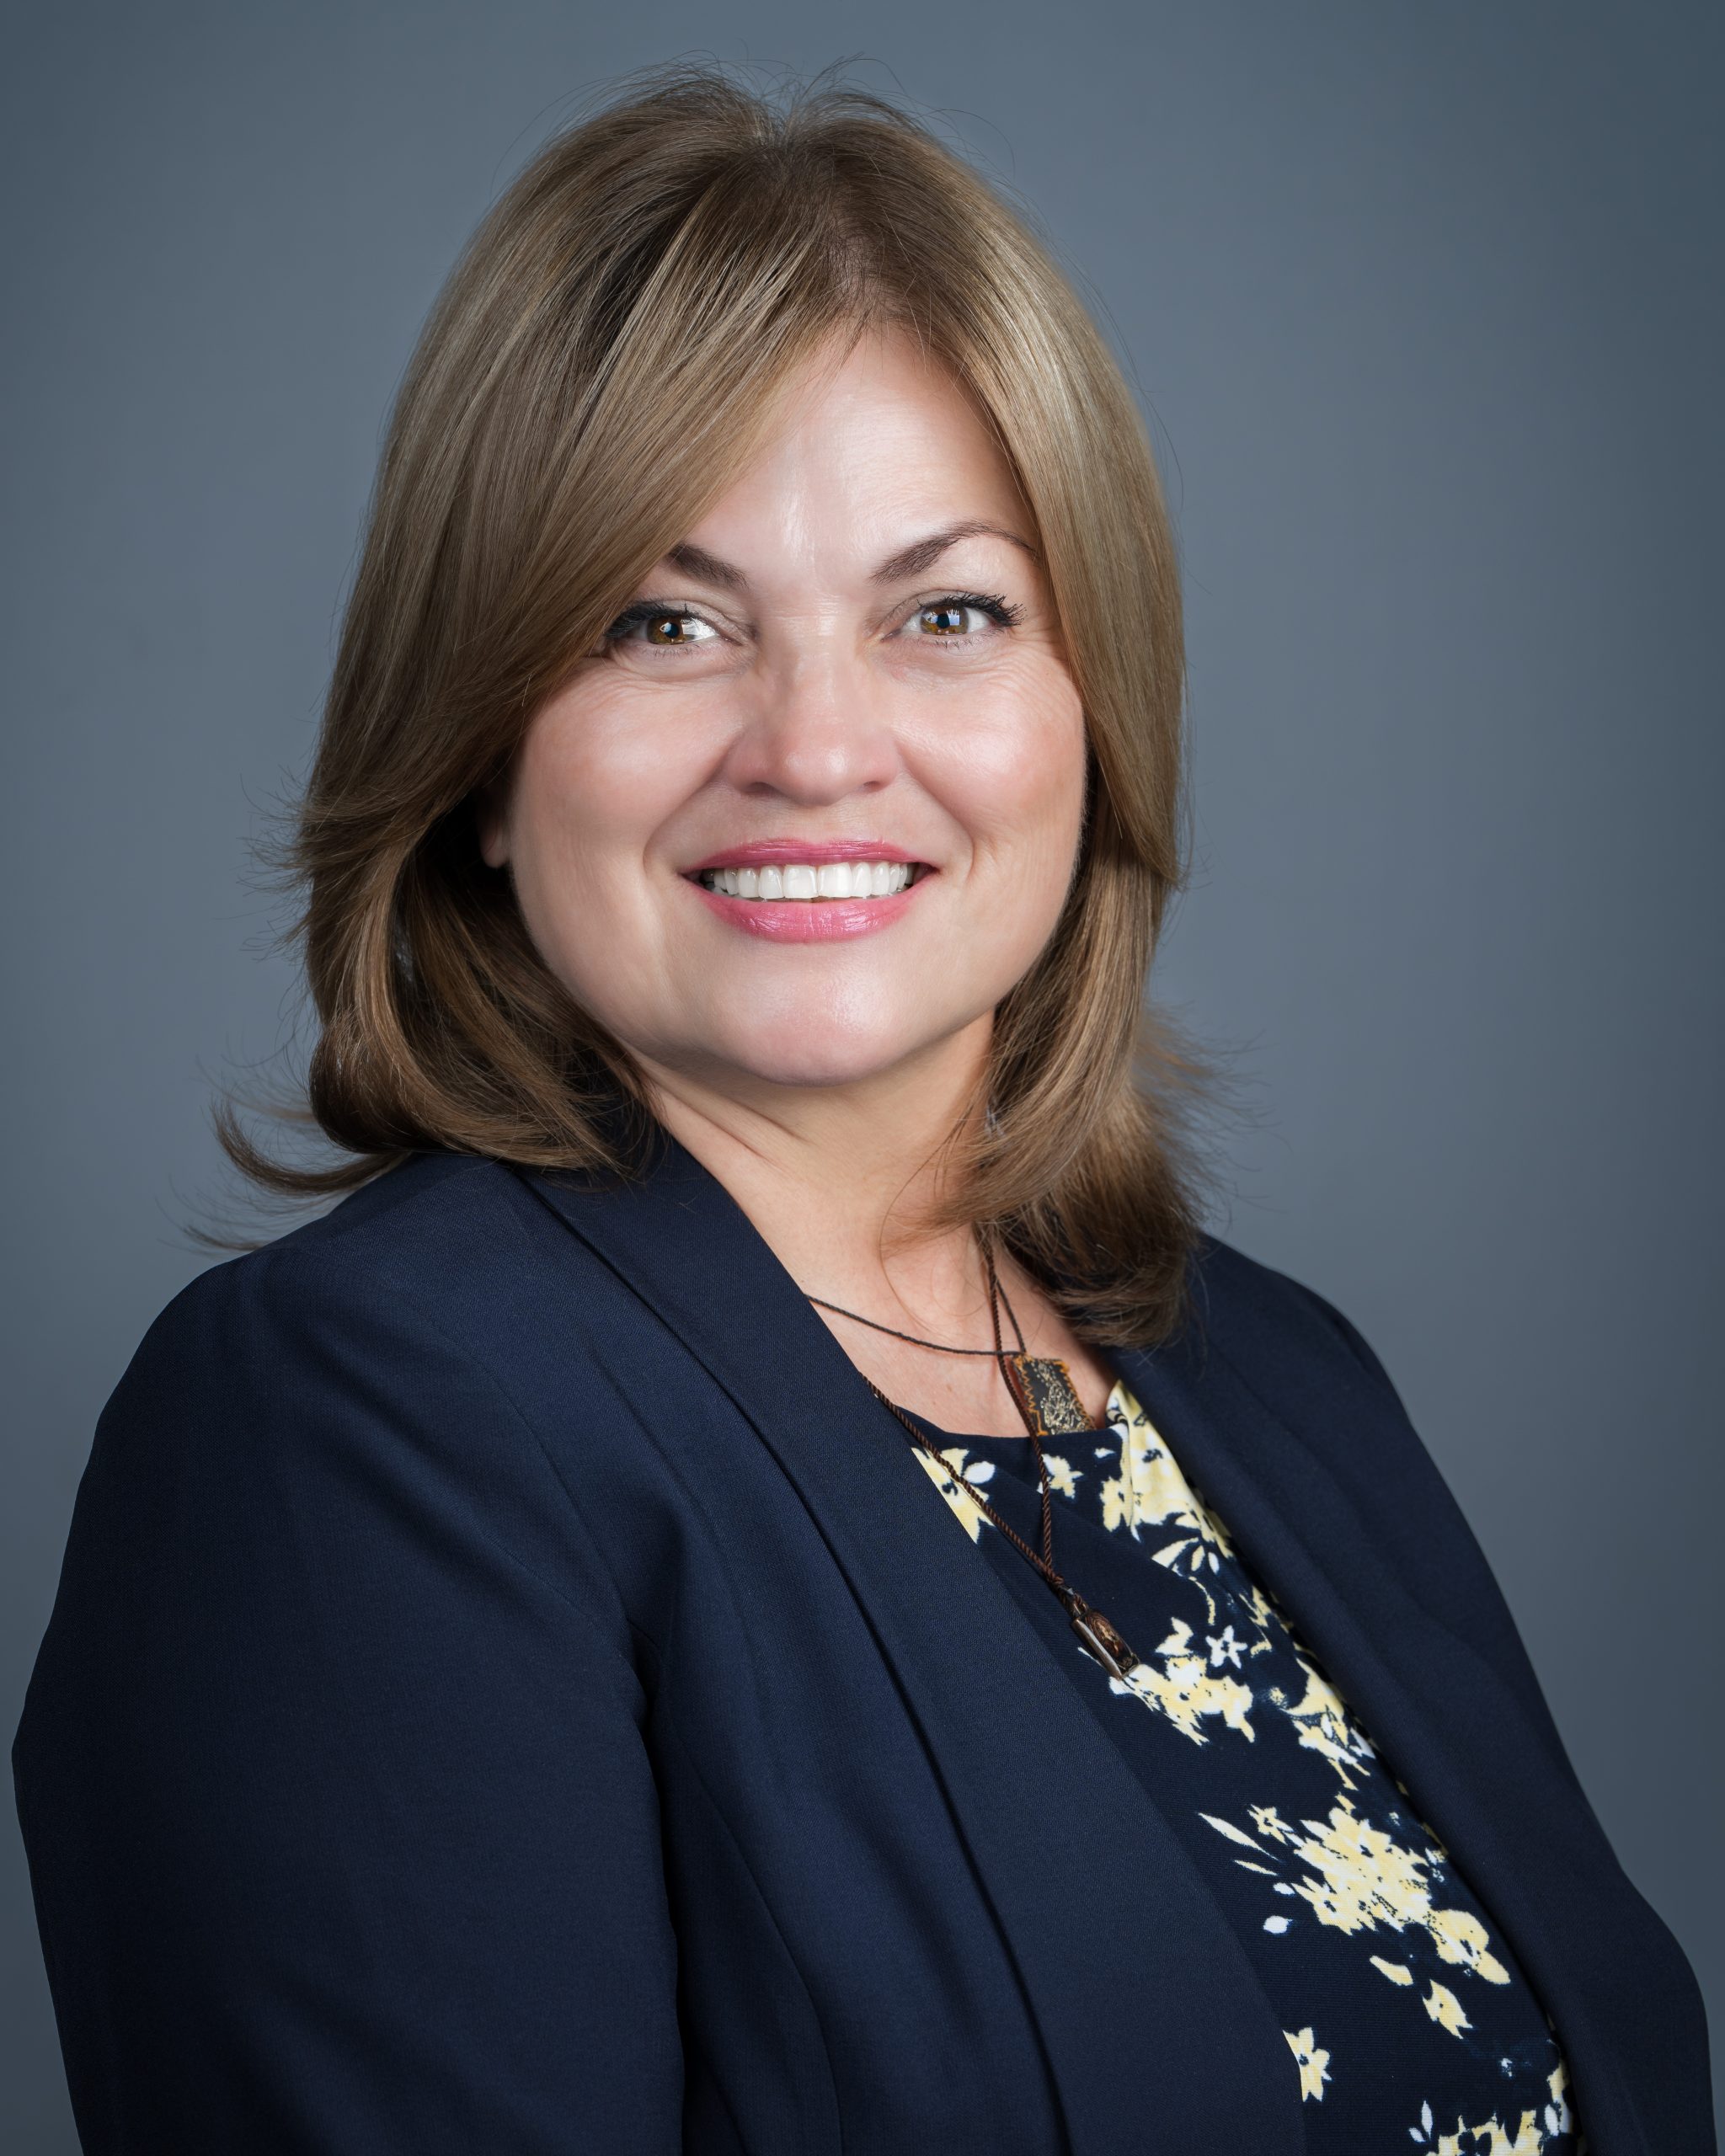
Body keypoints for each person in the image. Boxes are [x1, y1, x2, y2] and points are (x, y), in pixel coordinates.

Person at [12, 63, 1712, 2156]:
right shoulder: (348, 1430)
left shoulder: (1276, 1377)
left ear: (1091, 709)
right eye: (662, 621)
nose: (816, 745)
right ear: (477, 749)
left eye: (945, 612)